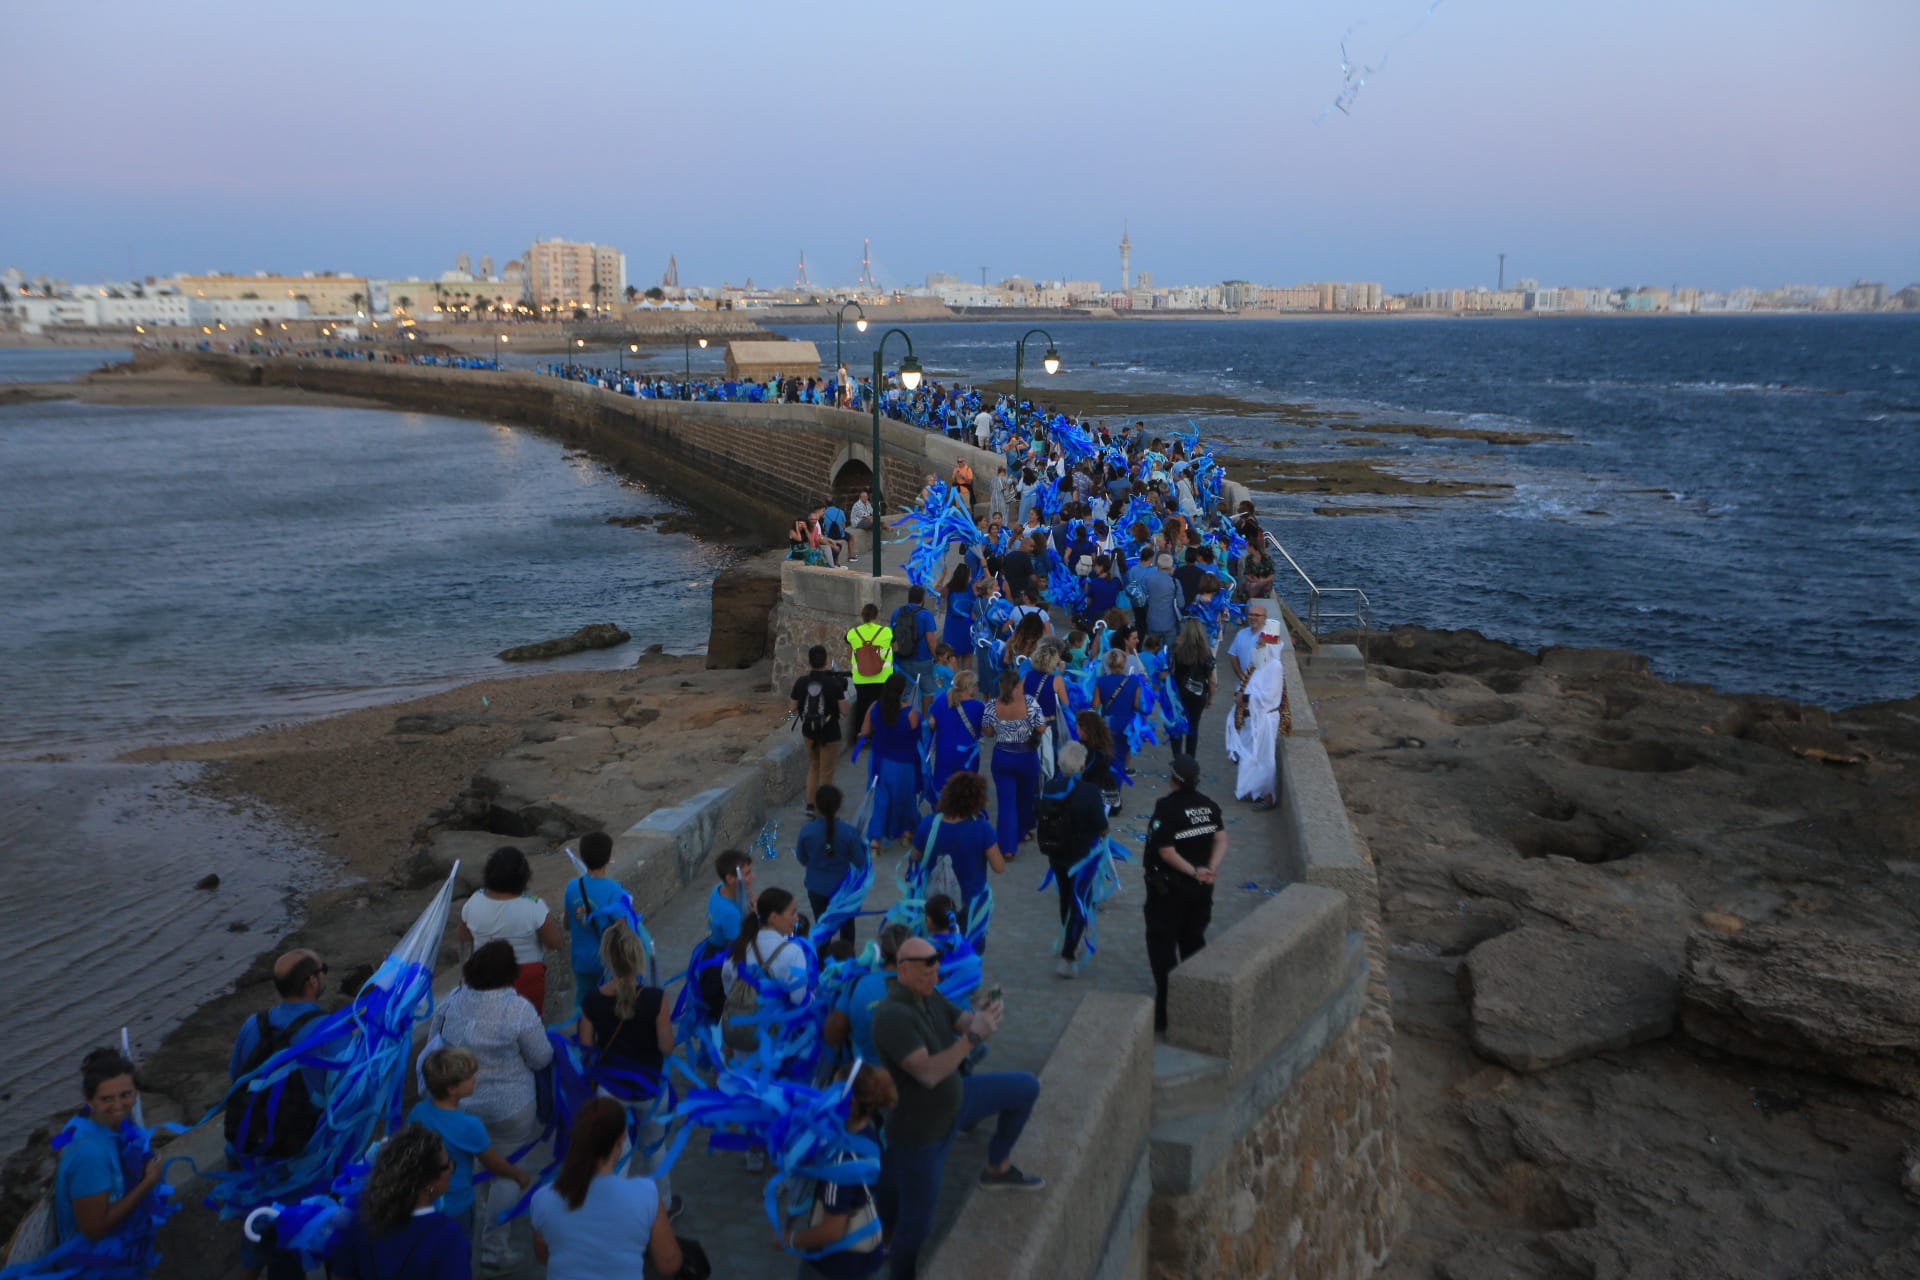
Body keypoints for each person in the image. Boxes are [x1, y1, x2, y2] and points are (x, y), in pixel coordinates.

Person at [873, 938, 1043, 1280]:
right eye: (928, 970)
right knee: (916, 1228)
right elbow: (929, 1073)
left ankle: (997, 1167)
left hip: (957, 1102)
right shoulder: (892, 1016)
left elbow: (963, 1021)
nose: (936, 976)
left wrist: (984, 1014)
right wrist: (973, 1038)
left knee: (1025, 1087)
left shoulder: (929, 994)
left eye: (938, 968)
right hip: (922, 1132)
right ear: (903, 970)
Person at [428, 941, 554, 1270]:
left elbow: (435, 1046)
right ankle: (494, 1250)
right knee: (509, 1171)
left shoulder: (452, 1003)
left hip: (463, 1104)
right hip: (512, 1106)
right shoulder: (518, 1010)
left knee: (478, 1164)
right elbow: (541, 1057)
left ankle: (482, 1217)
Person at [578, 922, 680, 1215]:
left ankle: (614, 1210)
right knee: (654, 1145)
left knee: (615, 1152)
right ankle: (663, 1205)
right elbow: (667, 1047)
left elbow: (587, 1049)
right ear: (637, 957)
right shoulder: (655, 999)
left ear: (606, 957)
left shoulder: (592, 1000)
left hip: (611, 1088)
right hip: (649, 1085)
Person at [530, 1098, 683, 1280]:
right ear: (621, 1140)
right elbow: (669, 1264)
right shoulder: (645, 1194)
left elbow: (544, 1257)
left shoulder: (542, 1199)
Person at [407, 1047, 530, 1246]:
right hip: (457, 1205)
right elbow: (493, 1163)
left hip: (425, 1201)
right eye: (469, 1077)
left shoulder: (418, 1112)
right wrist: (517, 1174)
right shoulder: (469, 1126)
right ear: (451, 1088)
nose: (474, 1079)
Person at [1142, 755, 1227, 1033]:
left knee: (1163, 946)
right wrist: (1210, 868)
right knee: (1193, 941)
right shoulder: (1209, 805)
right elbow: (1221, 837)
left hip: (1171, 890)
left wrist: (1192, 871)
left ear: (1173, 779)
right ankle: (1197, 1002)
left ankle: (1166, 1009)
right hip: (1202, 889)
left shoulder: (1167, 809)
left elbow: (1166, 851)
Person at [786, 1063, 896, 1279]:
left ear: (850, 1102)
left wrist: (789, 1239)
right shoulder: (869, 1131)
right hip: (867, 1260)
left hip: (833, 1267)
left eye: (833, 1090)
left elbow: (832, 1230)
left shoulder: (840, 1162)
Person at [53, 1048, 163, 1253]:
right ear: (89, 1100)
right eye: (106, 1099)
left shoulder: (108, 1124)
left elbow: (58, 1143)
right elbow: (94, 1231)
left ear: (136, 1092)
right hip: (95, 1262)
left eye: (126, 1094)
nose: (118, 1105)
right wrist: (148, 1182)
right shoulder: (91, 1155)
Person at [327, 1125, 471, 1280]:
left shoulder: (359, 1220)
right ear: (429, 1183)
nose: (451, 1168)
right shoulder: (448, 1238)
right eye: (446, 1165)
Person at [458, 846, 564, 1017]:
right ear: (523, 877)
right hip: (526, 978)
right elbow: (555, 942)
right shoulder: (534, 905)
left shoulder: (473, 902)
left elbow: (464, 936)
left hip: (485, 975)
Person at [1037, 741, 1109, 978]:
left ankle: (1069, 937)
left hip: (1056, 852)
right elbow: (1101, 826)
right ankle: (1068, 954)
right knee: (1079, 900)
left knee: (1066, 897)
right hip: (1082, 855)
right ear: (1081, 766)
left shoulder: (1050, 786)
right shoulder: (1089, 792)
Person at [910, 773, 1006, 940]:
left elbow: (915, 856)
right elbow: (999, 867)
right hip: (970, 902)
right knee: (968, 950)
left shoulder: (928, 823)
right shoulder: (982, 829)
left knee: (936, 949)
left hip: (936, 902)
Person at [979, 670, 1047, 855]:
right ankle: (1022, 832)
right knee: (1025, 799)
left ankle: (1007, 848)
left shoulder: (992, 705)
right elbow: (1041, 727)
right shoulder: (1030, 703)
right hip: (1026, 757)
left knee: (1006, 803)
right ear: (1018, 686)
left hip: (1002, 756)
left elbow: (987, 731)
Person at [856, 673, 923, 855]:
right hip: (904, 764)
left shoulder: (874, 708)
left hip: (880, 762)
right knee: (907, 798)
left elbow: (864, 731)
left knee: (880, 800)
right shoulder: (911, 714)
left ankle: (875, 841)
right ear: (903, 692)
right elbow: (918, 737)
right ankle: (907, 833)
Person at [1225, 619, 1288, 810]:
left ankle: (1267, 795)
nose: (1258, 645)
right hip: (1253, 717)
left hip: (1265, 719)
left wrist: (1245, 699)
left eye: (1261, 643)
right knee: (1251, 755)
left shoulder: (1275, 666)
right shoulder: (1260, 664)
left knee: (1264, 757)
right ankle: (1252, 790)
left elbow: (1269, 696)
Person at [796, 784, 869, 946]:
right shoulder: (849, 832)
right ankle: (846, 958)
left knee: (822, 925)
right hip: (843, 890)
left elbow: (801, 858)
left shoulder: (807, 831)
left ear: (816, 805)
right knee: (847, 927)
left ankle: (821, 962)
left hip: (816, 888)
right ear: (838, 806)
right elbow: (860, 861)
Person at [562, 831, 626, 998]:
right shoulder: (614, 889)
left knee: (583, 1005)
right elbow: (622, 928)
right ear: (609, 857)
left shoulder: (571, 886)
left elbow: (566, 924)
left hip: (580, 961)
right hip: (606, 963)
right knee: (607, 1006)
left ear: (582, 856)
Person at [791, 644, 851, 815]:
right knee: (826, 771)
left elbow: (792, 708)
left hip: (809, 732)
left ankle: (810, 805)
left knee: (813, 767)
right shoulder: (833, 683)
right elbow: (845, 712)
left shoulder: (801, 682)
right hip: (830, 734)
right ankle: (822, 808)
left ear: (809, 662)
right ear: (826, 661)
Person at [927, 671, 984, 800]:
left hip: (944, 752)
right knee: (966, 790)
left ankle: (944, 817)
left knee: (944, 790)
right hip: (967, 754)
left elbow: (931, 723)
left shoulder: (942, 699)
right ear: (971, 687)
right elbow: (986, 730)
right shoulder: (978, 707)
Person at [845, 603, 895, 739]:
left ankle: (860, 734)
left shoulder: (852, 633)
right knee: (882, 706)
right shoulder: (887, 632)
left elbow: (849, 655)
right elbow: (896, 648)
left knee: (862, 706)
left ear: (862, 616)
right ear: (877, 616)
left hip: (861, 678)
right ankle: (880, 735)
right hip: (882, 678)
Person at [1170, 618, 1217, 758]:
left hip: (1179, 694)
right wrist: (1211, 699)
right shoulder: (1206, 653)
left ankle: (1177, 758)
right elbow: (1212, 680)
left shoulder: (1177, 651)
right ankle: (1190, 759)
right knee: (1193, 727)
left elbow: (1169, 672)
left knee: (1177, 726)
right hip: (1198, 695)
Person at [1095, 649, 1144, 777]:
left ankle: (1106, 788)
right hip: (1126, 724)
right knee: (1121, 758)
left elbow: (1095, 705)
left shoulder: (1101, 681)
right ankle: (1116, 791)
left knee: (1107, 757)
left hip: (1107, 723)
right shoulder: (1134, 682)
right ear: (1124, 664)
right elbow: (1137, 706)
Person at [890, 587, 939, 701]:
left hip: (901, 659)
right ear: (922, 599)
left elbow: (892, 636)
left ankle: (904, 716)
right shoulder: (926, 614)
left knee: (904, 692)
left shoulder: (897, 612)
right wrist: (936, 657)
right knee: (928, 691)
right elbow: (930, 640)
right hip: (922, 660)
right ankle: (924, 718)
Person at [938, 563, 974, 670]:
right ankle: (966, 684)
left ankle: (954, 684)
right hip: (967, 626)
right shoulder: (971, 588)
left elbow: (935, 591)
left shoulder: (949, 588)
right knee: (967, 657)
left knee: (952, 659)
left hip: (952, 628)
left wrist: (942, 576)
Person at [1226, 605, 1270, 689]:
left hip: (1262, 686)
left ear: (1265, 618)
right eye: (1250, 614)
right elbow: (1233, 656)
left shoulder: (1269, 637)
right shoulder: (1241, 633)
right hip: (1242, 685)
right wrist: (1241, 676)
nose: (1253, 617)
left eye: (1257, 615)